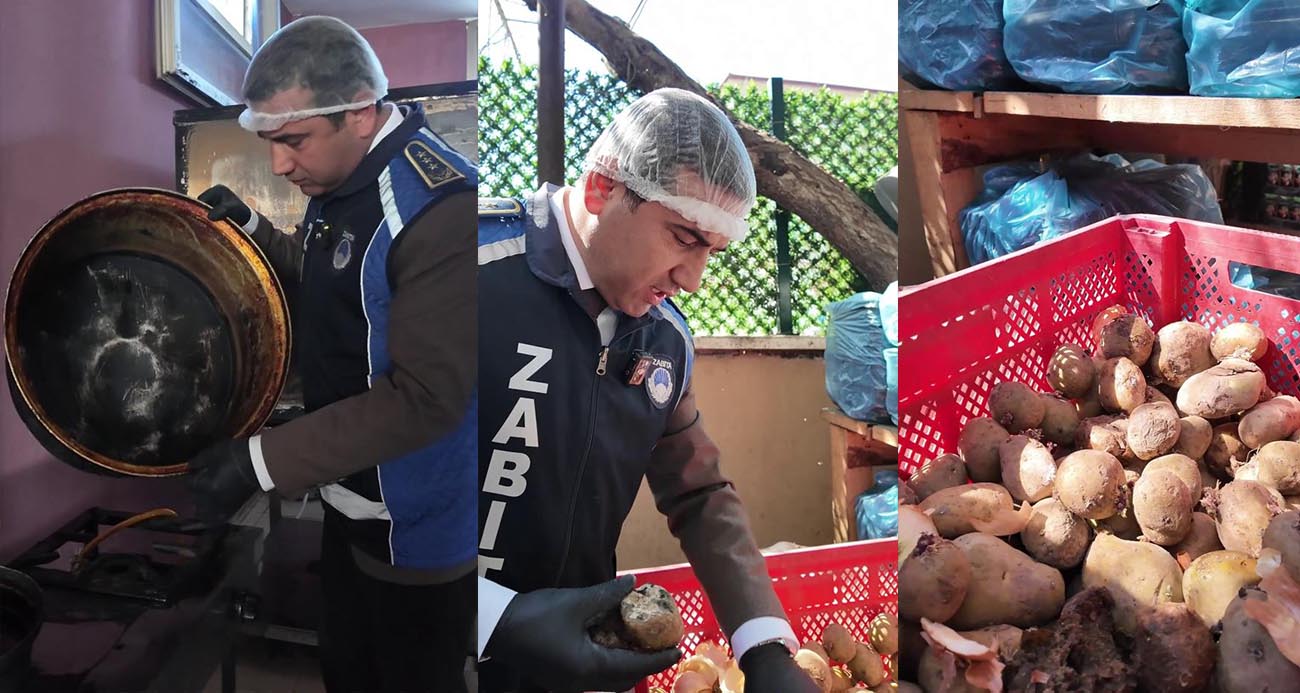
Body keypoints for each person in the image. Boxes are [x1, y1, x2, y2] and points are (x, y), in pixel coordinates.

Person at [477, 88, 821, 693]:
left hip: (581, 662)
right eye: (685, 238)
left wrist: (763, 645)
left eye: (712, 251)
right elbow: (379, 486)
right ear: (601, 191)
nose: (693, 279)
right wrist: (492, 618)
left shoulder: (665, 341)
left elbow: (701, 493)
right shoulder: (470, 274)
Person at [184, 16, 478, 693]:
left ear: (362, 113)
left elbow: (427, 398)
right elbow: (331, 275)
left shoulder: (439, 209)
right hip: (349, 502)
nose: (279, 165)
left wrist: (258, 462)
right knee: (345, 670)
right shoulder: (340, 182)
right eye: (270, 143)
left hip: (415, 529)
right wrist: (255, 228)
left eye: (292, 141)